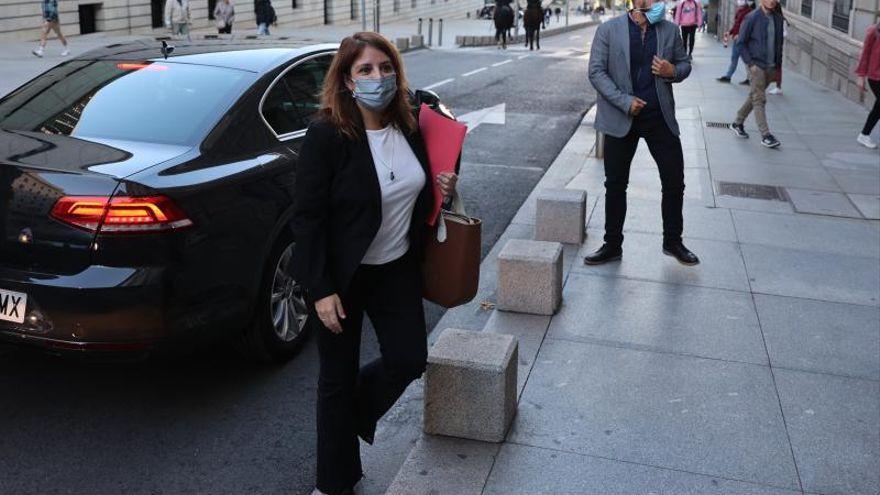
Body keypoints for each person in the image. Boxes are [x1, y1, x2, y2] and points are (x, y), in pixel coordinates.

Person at [291, 32, 459, 495]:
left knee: (409, 358)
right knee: (335, 378)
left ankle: (353, 415)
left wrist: (440, 190)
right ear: (346, 79)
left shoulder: (408, 124)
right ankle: (334, 482)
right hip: (342, 278)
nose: (378, 77)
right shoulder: (327, 134)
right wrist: (320, 288)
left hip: (395, 267)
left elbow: (417, 188)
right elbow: (307, 219)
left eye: (385, 68)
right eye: (365, 69)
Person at [586, 0, 699, 266]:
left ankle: (673, 241)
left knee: (674, 180)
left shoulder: (670, 30)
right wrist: (625, 101)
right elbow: (596, 72)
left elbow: (684, 64)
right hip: (621, 116)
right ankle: (612, 244)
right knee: (615, 184)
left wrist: (673, 71)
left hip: (659, 116)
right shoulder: (609, 30)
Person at [729, 0, 783, 148]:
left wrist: (778, 66)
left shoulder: (777, 18)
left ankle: (737, 122)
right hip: (756, 65)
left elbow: (779, 43)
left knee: (754, 95)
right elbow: (740, 42)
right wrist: (750, 64)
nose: (772, 1)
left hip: (771, 66)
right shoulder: (752, 17)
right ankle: (766, 135)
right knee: (759, 99)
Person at [856, 21, 880, 149]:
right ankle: (864, 134)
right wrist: (861, 76)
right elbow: (865, 53)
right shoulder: (874, 30)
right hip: (875, 76)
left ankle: (864, 134)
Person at [717, 0, 753, 82]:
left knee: (745, 59)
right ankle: (729, 76)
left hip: (742, 39)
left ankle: (749, 77)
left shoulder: (749, 12)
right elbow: (736, 24)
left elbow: (747, 27)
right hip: (737, 39)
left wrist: (740, 35)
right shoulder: (739, 11)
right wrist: (730, 32)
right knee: (735, 58)